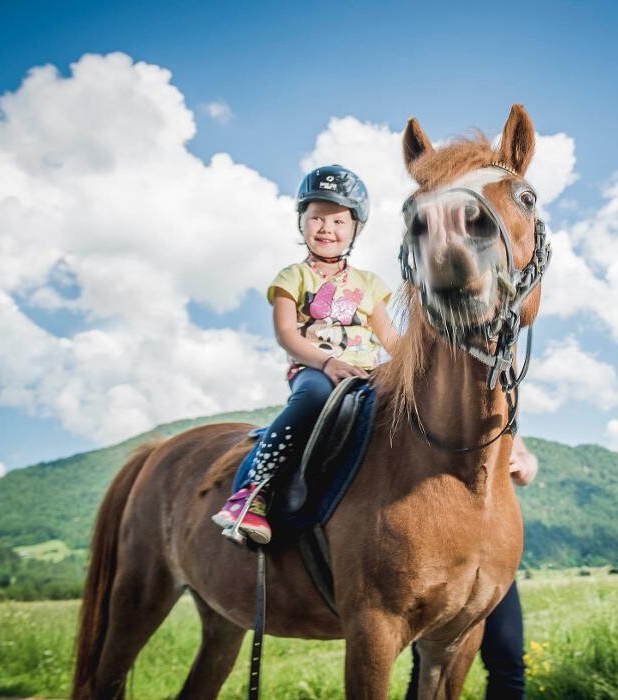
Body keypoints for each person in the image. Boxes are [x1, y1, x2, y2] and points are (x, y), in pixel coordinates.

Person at [212, 164, 399, 544]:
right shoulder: (292, 277)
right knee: (313, 396)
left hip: (366, 374)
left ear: (355, 229)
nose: (327, 229)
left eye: (338, 221)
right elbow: (286, 333)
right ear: (302, 223)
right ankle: (252, 492)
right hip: (316, 369)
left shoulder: (369, 284)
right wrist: (327, 362)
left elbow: (392, 339)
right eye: (316, 218)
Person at [407, 436, 539, 699]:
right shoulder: (432, 408)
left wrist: (522, 464)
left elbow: (526, 464)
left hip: (493, 560)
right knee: (430, 667)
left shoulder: (498, 411)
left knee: (509, 664)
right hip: (441, 559)